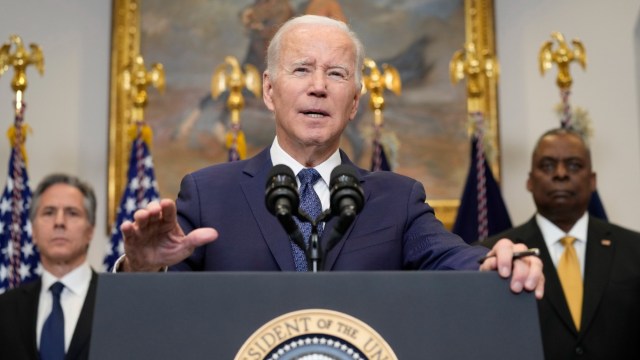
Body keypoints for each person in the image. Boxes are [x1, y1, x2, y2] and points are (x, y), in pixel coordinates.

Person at [116, 15, 543, 300]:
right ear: (269, 90)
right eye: (301, 69)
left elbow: (450, 255)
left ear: (354, 102)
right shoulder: (209, 194)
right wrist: (141, 271)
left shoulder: (397, 200)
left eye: (336, 74)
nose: (318, 87)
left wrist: (494, 260)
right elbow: (163, 310)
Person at [482, 128, 640, 359]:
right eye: (547, 165)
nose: (561, 174)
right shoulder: (494, 256)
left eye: (574, 165)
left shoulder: (634, 250)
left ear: (593, 180)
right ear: (529, 181)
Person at [0, 174, 98, 360]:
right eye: (49, 212)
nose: (59, 222)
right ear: (34, 232)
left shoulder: (113, 301)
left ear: (90, 231)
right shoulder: (5, 309)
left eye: (72, 213)